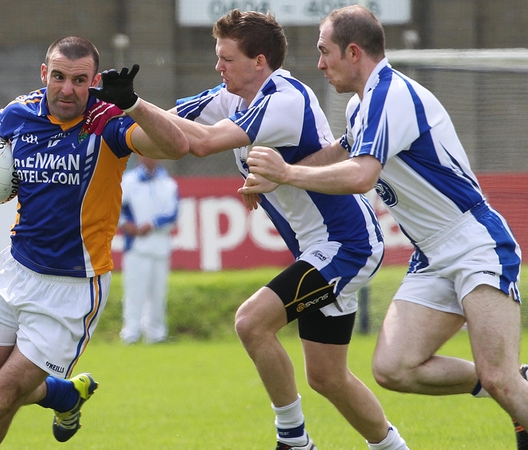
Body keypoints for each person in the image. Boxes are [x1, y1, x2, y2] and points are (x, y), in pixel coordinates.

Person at [241, 6, 528, 450]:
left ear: (354, 52)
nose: (320, 63)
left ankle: (515, 389)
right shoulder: (362, 103)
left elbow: (360, 175)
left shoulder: (390, 95)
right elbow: (339, 154)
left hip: (475, 243)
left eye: (325, 52)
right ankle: (518, 386)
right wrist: (274, 179)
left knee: (498, 379)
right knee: (393, 369)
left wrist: (285, 174)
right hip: (431, 256)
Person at [92, 9, 407, 450]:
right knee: (328, 378)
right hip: (320, 249)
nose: (218, 67)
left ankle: (294, 441)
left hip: (346, 244)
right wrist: (108, 127)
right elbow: (165, 134)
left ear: (259, 61)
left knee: (251, 323)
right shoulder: (229, 96)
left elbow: (197, 144)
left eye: (227, 58)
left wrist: (131, 105)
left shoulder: (285, 98)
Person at [0, 36, 188, 450]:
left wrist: (133, 104)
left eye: (79, 80)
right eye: (59, 77)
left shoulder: (108, 121)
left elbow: (177, 146)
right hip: (14, 271)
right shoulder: (20, 113)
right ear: (44, 74)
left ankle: (53, 394)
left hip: (73, 288)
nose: (67, 89)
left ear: (93, 81)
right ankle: (63, 394)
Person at [118, 155, 179, 344]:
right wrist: (126, 224)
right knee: (134, 292)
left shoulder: (168, 184)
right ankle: (131, 333)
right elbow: (116, 206)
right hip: (136, 246)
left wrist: (152, 224)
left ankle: (156, 334)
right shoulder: (129, 181)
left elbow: (173, 213)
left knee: (158, 293)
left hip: (160, 245)